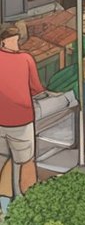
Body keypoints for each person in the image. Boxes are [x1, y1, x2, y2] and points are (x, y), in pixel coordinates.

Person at [0, 27, 42, 196]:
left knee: (2, 159)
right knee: (23, 163)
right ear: (3, 41)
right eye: (14, 41)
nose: (16, 44)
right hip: (21, 121)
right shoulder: (26, 59)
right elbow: (36, 88)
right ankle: (20, 202)